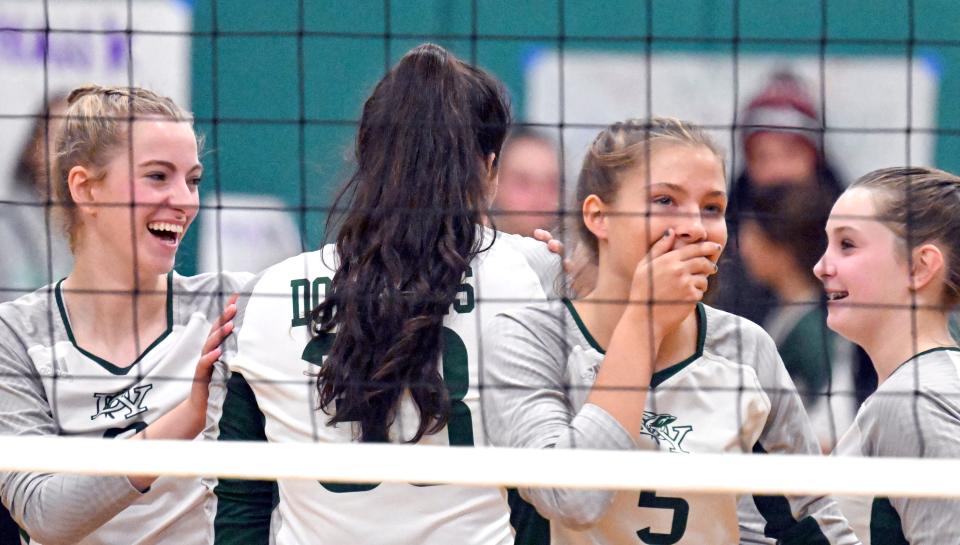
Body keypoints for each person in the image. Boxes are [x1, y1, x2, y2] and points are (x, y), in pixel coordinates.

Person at [212, 43, 560, 545]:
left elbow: (241, 500)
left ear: (368, 157)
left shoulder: (267, 295)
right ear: (488, 171)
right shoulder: (532, 275)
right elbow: (538, 498)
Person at [481, 118, 859, 544]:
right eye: (665, 200)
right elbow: (573, 498)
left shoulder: (744, 349)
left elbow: (808, 521)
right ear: (598, 216)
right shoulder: (529, 338)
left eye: (712, 208)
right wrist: (644, 320)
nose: (696, 227)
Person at [0, 85, 246, 545]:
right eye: (158, 176)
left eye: (192, 179)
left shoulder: (229, 305)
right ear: (86, 189)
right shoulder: (14, 336)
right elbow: (46, 516)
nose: (184, 200)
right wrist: (185, 420)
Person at [816, 167, 960, 543]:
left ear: (919, 266)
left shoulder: (915, 399)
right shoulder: (925, 386)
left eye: (847, 245)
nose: (821, 267)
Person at [739, 184, 859, 451]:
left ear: (781, 247)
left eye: (751, 236)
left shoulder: (812, 327)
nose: (743, 248)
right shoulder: (788, 313)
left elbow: (836, 422)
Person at [0, 93, 73, 303]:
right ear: (35, 148)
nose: (75, 152)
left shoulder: (104, 223)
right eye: (62, 139)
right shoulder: (6, 225)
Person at [490, 128, 562, 237]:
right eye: (523, 183)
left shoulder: (573, 251)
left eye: (551, 184)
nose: (540, 196)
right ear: (495, 184)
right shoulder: (469, 248)